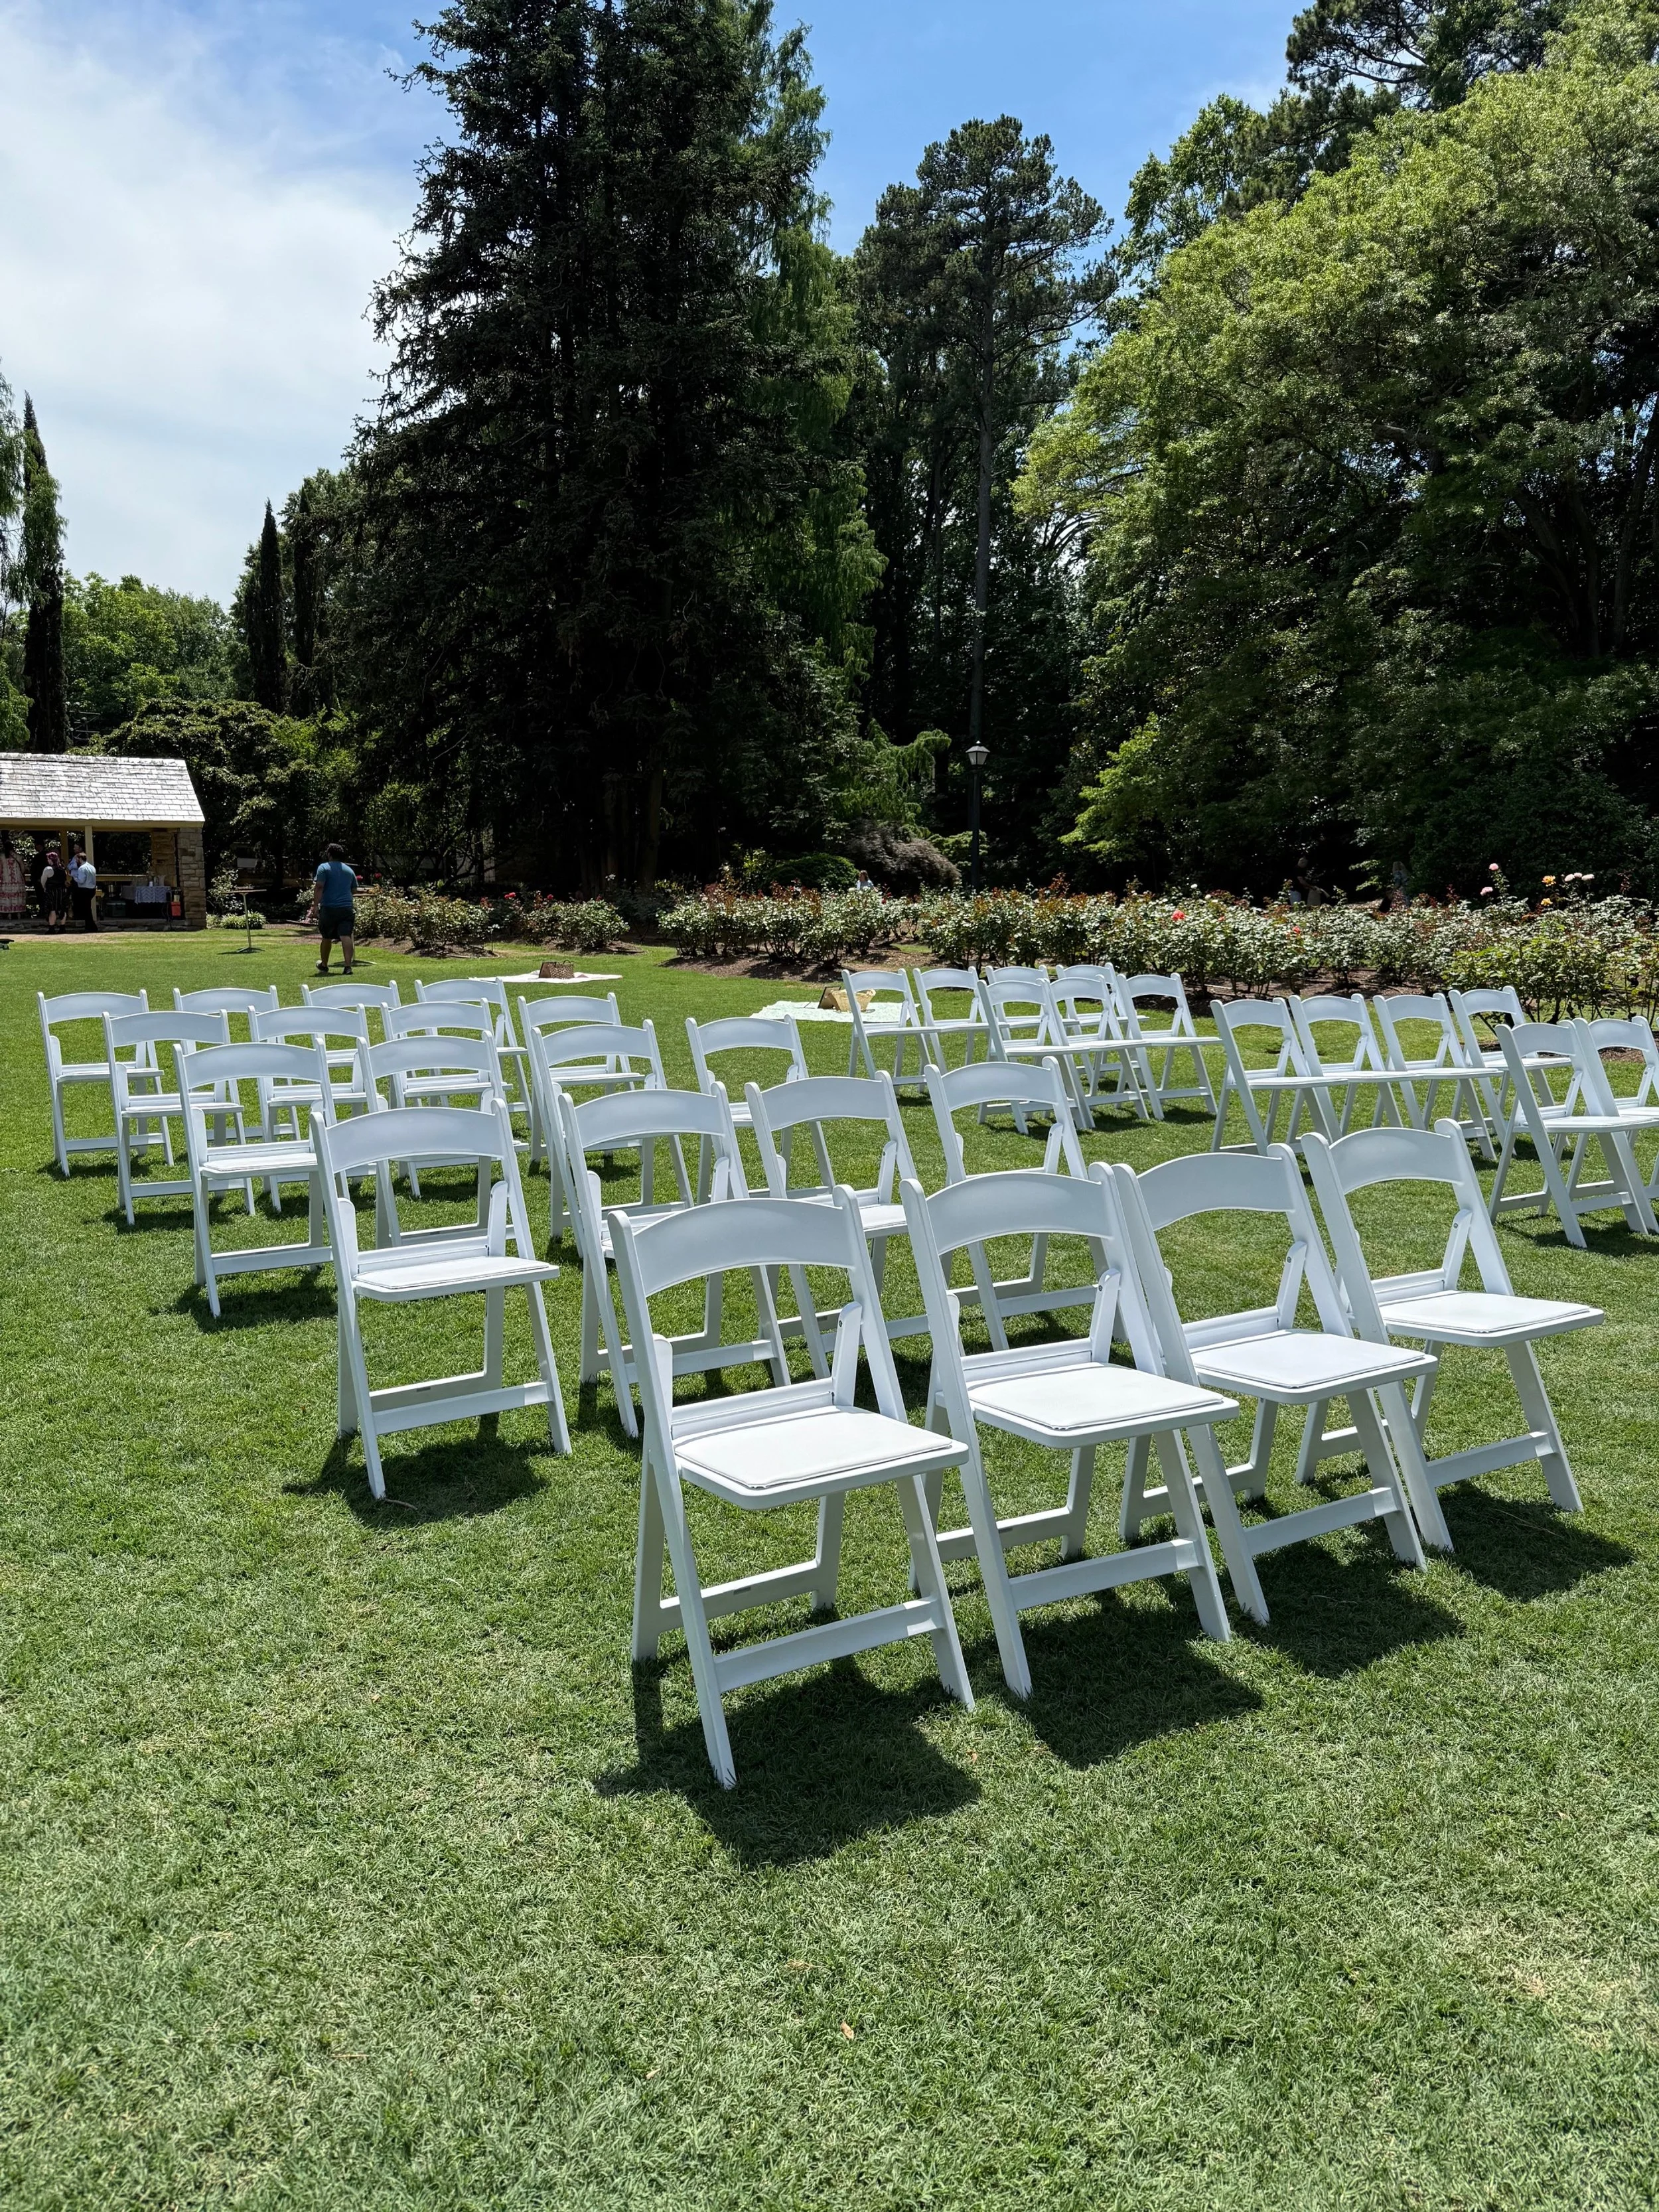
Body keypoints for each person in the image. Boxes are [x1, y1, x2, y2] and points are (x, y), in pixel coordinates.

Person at [308, 842, 358, 974]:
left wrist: (315, 906)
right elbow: (354, 890)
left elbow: (319, 887)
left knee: (327, 936)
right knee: (346, 936)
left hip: (329, 908)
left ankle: (324, 965)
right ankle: (348, 967)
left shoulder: (324, 868)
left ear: (329, 855)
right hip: (347, 908)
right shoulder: (349, 870)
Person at [37, 846, 68, 933]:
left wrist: (45, 889)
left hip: (52, 891)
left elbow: (43, 881)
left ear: (50, 859)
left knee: (52, 909)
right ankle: (63, 927)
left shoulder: (48, 869)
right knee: (63, 908)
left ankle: (52, 928)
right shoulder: (63, 869)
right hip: (62, 891)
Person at [69, 847, 99, 931]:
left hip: (84, 890)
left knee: (86, 910)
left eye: (77, 859)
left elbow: (81, 881)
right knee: (87, 909)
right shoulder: (91, 867)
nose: (76, 861)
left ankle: (91, 927)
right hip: (92, 890)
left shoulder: (82, 868)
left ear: (80, 859)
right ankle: (90, 926)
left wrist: (75, 877)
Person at [0, 833, 24, 922]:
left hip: (6, 880)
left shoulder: (2, 857)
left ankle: (8, 914)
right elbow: (23, 868)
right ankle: (18, 913)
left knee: (7, 897)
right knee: (17, 897)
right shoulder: (18, 856)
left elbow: (0, 869)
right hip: (17, 880)